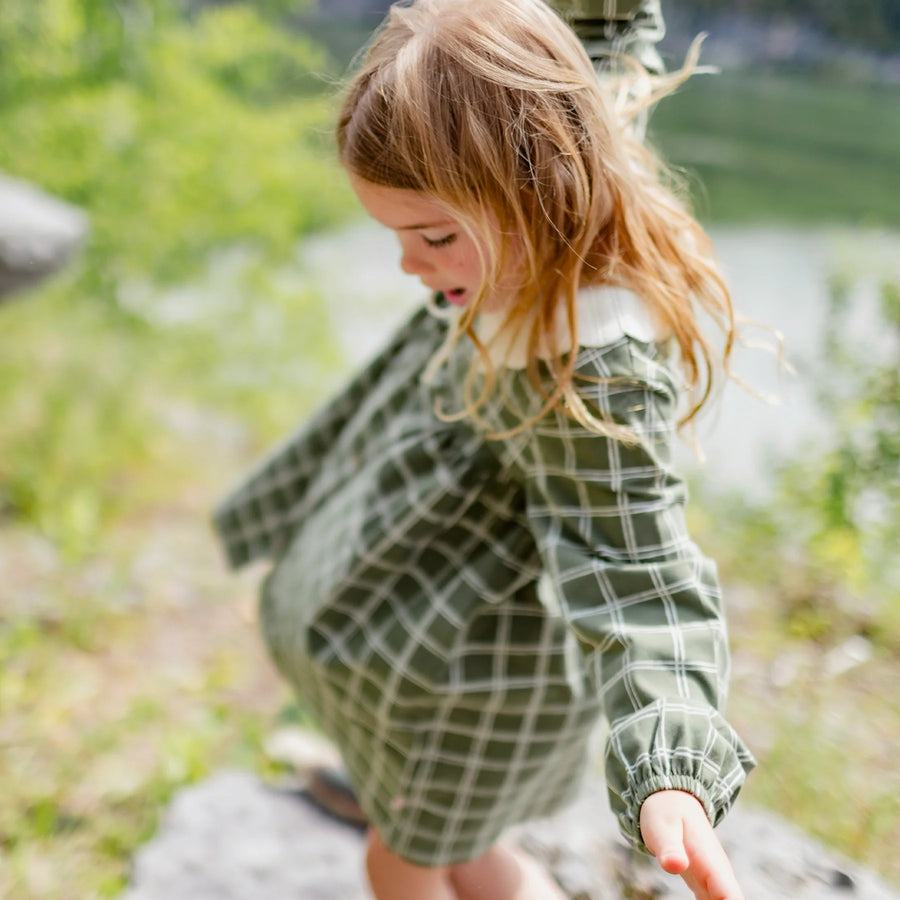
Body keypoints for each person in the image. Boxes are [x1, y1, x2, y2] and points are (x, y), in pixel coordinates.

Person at [213, 0, 756, 897]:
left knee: (401, 859)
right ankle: (384, 782)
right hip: (424, 664)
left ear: (541, 180)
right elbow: (603, 31)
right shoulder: (539, 139)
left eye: (432, 236)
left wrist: (671, 768)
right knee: (456, 848)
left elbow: (642, 570)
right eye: (396, 237)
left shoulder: (591, 363)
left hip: (460, 698)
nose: (410, 268)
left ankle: (401, 799)